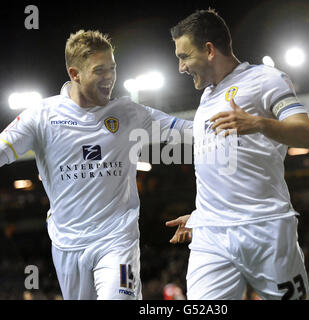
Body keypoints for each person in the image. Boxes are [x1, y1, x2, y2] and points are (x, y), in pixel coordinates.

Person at [0, 30, 192, 300]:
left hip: (117, 239)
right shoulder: (41, 117)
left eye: (112, 69)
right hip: (68, 245)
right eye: (99, 70)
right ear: (74, 73)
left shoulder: (126, 113)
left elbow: (187, 130)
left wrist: (240, 125)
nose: (110, 78)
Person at [166, 9, 309, 300]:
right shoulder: (207, 97)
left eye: (184, 56)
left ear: (209, 50)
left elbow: (308, 135)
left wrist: (258, 123)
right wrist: (202, 213)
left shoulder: (266, 79)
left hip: (265, 228)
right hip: (211, 233)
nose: (181, 67)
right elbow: (220, 166)